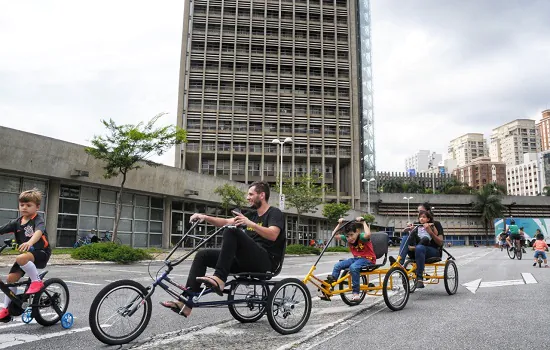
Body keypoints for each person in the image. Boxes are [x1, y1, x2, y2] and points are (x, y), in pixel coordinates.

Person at [161, 181, 285, 317]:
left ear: (262, 195)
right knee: (203, 255)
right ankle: (185, 303)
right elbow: (225, 222)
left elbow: (273, 235)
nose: (247, 197)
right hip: (246, 261)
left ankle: (220, 278)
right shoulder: (251, 215)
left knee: (232, 232)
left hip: (266, 261)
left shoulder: (274, 213)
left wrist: (251, 224)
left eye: (251, 194)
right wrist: (205, 217)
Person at [0, 189, 51, 321]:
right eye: (22, 205)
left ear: (37, 207)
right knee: (10, 279)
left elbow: (39, 232)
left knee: (21, 257)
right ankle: (6, 309)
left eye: (29, 205)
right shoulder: (17, 222)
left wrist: (29, 242)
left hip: (41, 252)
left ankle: (36, 282)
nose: (24, 207)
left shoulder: (38, 220)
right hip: (26, 256)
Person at [389, 209, 443, 288]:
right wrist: (410, 230)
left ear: (428, 218)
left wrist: (430, 231)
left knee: (422, 244)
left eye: (423, 217)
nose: (421, 218)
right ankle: (399, 262)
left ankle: (419, 278)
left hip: (429, 248)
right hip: (418, 244)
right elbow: (413, 236)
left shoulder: (433, 224)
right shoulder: (417, 226)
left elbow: (439, 238)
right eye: (420, 217)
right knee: (405, 238)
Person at [327, 217, 374, 301]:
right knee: (337, 265)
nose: (350, 238)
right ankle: (330, 287)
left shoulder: (362, 237)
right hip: (356, 259)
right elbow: (334, 235)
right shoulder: (347, 238)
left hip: (368, 259)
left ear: (357, 232)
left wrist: (363, 222)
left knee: (353, 267)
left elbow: (368, 234)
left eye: (352, 235)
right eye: (347, 236)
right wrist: (339, 224)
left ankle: (356, 293)